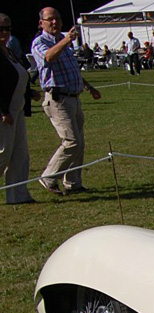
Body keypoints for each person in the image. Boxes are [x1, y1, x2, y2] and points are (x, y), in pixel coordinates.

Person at [32, 7, 101, 195]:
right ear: (41, 23)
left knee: (79, 143)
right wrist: (65, 40)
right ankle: (48, 177)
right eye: (50, 19)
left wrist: (89, 87)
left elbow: (73, 71)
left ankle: (73, 182)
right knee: (71, 141)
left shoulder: (65, 42)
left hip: (74, 97)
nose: (55, 22)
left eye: (57, 19)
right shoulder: (40, 42)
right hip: (57, 100)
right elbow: (48, 57)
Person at [1, 13, 36, 204]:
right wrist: (4, 112)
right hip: (5, 114)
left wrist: (30, 93)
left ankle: (18, 195)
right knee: (3, 155)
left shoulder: (9, 52)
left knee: (20, 155)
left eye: (8, 29)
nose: (5, 33)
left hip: (19, 110)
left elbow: (17, 78)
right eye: (1, 29)